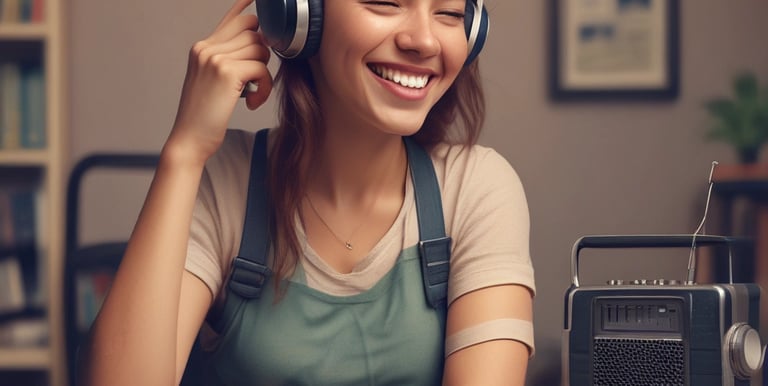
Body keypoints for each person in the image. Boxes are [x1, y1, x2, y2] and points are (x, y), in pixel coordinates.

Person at [81, 0, 535, 384]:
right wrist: (184, 151)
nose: (424, 40)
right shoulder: (226, 182)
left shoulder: (477, 190)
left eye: (451, 13)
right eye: (384, 0)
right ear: (299, 16)